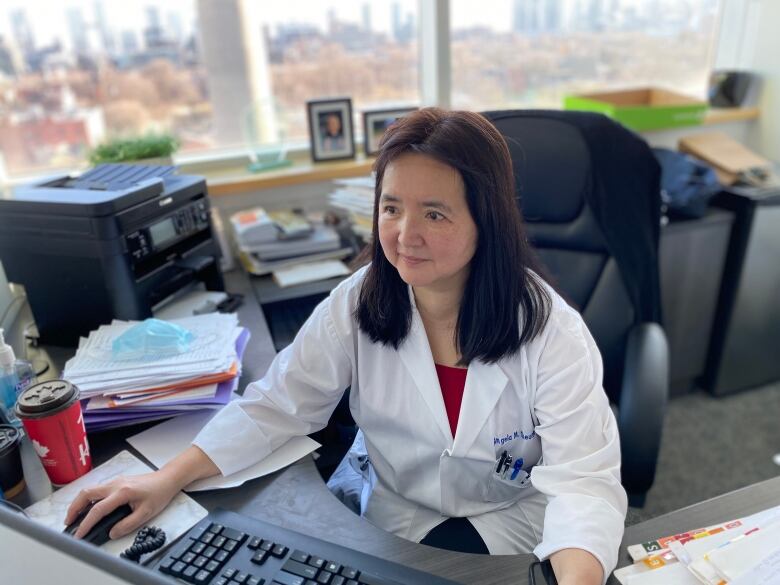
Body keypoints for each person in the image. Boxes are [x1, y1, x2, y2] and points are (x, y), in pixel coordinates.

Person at [66, 108, 626, 585]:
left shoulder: (550, 331)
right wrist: (167, 477)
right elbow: (278, 406)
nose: (405, 234)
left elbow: (584, 484)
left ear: (487, 220)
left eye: (435, 213)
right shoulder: (358, 302)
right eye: (391, 207)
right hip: (390, 516)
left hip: (512, 521)